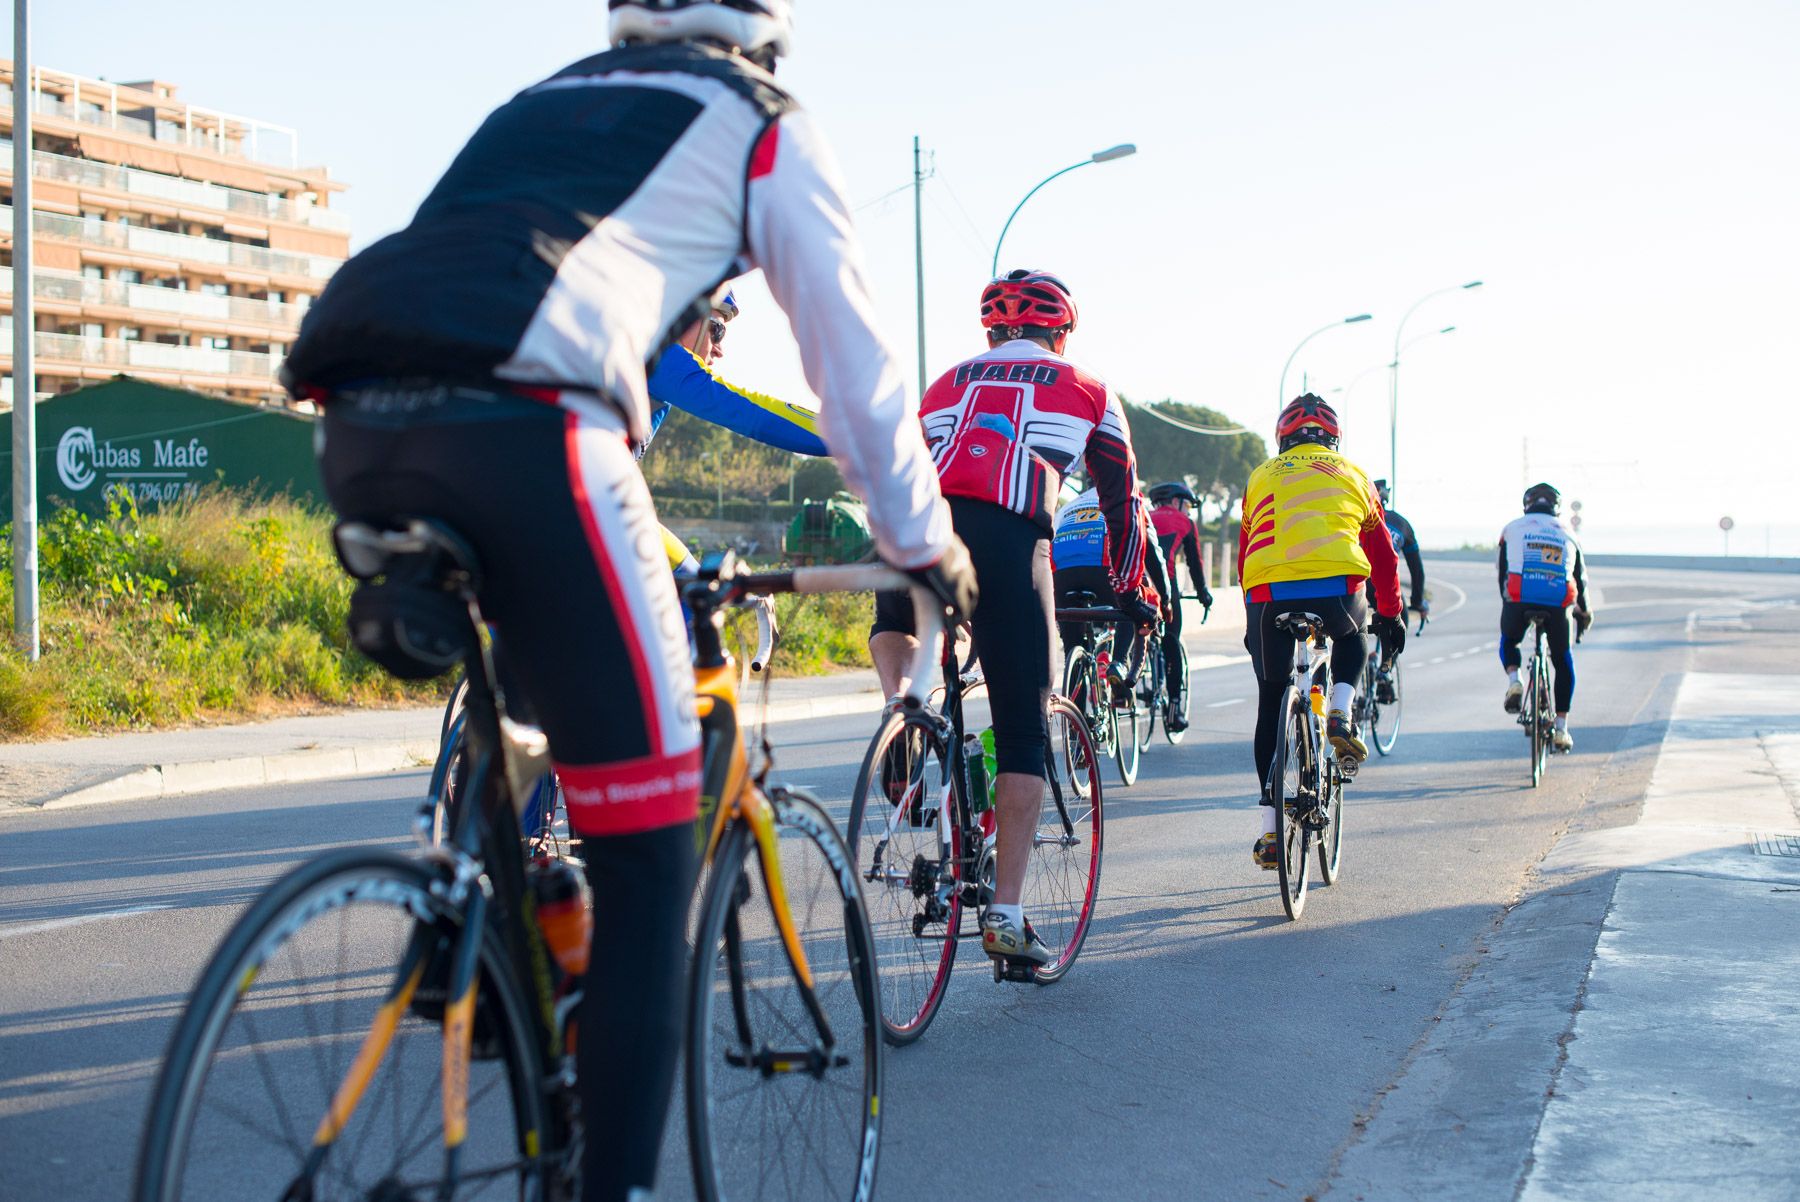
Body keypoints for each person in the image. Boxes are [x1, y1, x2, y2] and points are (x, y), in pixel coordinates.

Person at [281, 4, 975, 1198]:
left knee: (544, 696)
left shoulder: (543, 98)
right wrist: (926, 546)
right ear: (761, 36)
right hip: (533, 432)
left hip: (357, 416)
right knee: (651, 859)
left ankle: (492, 918)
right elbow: (858, 383)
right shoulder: (761, 118)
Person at [869, 268, 1152, 970]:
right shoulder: (1089, 388)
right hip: (1007, 539)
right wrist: (1130, 591)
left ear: (991, 333)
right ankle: (1006, 915)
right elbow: (1122, 502)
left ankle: (903, 716)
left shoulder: (946, 382)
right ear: (1062, 332)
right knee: (1024, 728)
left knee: (899, 621)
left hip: (911, 533)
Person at [1240, 395, 1404, 870]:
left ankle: (1270, 832)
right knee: (1353, 638)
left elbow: (1246, 549)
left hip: (1268, 594)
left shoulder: (1260, 476)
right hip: (1337, 590)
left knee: (1271, 703)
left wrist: (1252, 621)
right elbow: (1384, 555)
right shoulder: (1356, 475)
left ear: (1283, 438)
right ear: (1334, 438)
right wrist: (1390, 615)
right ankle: (1339, 710)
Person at [1052, 484, 1168, 704]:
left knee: (1073, 649)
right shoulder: (1129, 497)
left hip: (1062, 572)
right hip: (1102, 567)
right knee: (1131, 604)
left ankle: (1076, 719)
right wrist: (1166, 598)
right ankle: (1119, 663)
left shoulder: (1071, 505)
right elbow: (1153, 555)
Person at [1498, 482, 1592, 751]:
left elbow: (1502, 572)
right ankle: (1561, 728)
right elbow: (1580, 580)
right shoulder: (1569, 532)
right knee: (1562, 659)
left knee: (1509, 640)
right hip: (1558, 597)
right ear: (1557, 509)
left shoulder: (1512, 528)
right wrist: (1584, 613)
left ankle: (1515, 680)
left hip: (1520, 594)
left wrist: (1509, 605)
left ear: (1526, 506)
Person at [1146, 481, 1217, 731]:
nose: (1188, 511)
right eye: (1188, 505)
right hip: (1163, 583)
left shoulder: (1145, 514)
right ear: (1176, 501)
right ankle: (1174, 711)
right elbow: (1194, 563)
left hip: (1135, 581)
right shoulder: (1184, 521)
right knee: (1171, 639)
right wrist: (1203, 594)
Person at [1368, 478, 1427, 703]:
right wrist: (1418, 601)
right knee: (1397, 620)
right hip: (1383, 581)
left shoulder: (1356, 514)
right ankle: (1385, 668)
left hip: (1357, 581)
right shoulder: (1402, 523)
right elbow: (1417, 571)